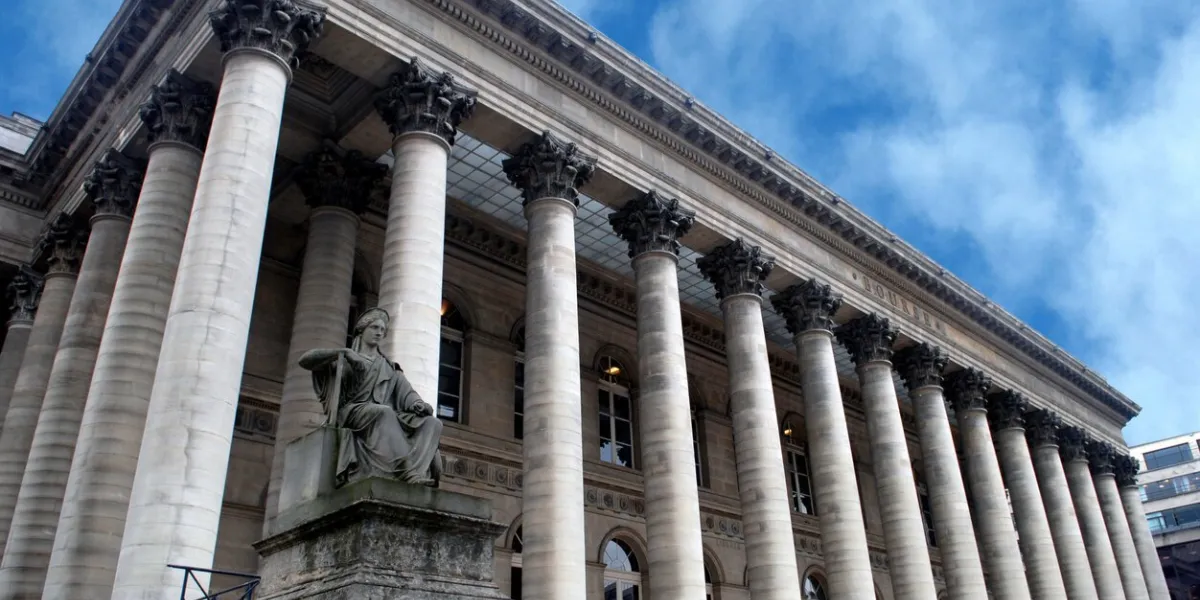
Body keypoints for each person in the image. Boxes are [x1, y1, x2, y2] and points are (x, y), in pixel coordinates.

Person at [299, 307, 443, 487]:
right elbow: (305, 360)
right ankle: (407, 472)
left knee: (433, 423)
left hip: (383, 415)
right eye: (374, 328)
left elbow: (409, 394)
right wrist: (343, 353)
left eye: (382, 330)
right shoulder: (345, 359)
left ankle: (417, 471)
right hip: (351, 412)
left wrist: (419, 405)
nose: (379, 333)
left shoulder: (389, 368)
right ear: (362, 330)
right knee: (383, 412)